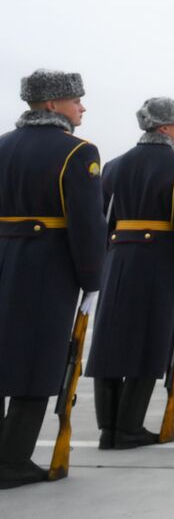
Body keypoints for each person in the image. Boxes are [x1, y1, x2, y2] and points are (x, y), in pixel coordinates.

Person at [0, 70, 105, 488]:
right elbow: (86, 224)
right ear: (51, 105)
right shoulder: (76, 152)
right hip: (47, 266)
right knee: (36, 360)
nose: (82, 107)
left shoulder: (3, 146)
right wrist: (92, 279)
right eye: (75, 99)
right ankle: (12, 460)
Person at [86, 98, 174, 448]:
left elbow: (102, 221)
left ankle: (109, 427)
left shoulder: (113, 165)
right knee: (148, 343)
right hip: (160, 262)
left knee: (110, 342)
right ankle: (130, 427)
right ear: (165, 127)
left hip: (117, 259)